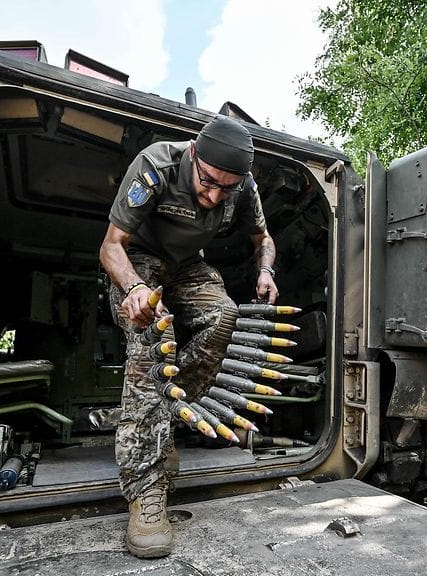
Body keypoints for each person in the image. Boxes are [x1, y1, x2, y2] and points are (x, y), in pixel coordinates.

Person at [98, 115, 278, 558]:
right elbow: (111, 246)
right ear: (194, 154)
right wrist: (135, 289)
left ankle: (168, 416)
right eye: (209, 181)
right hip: (137, 260)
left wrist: (266, 271)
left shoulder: (244, 187)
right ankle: (146, 490)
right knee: (149, 349)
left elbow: (263, 238)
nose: (215, 195)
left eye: (227, 188)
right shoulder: (156, 165)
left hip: (187, 266)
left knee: (225, 316)